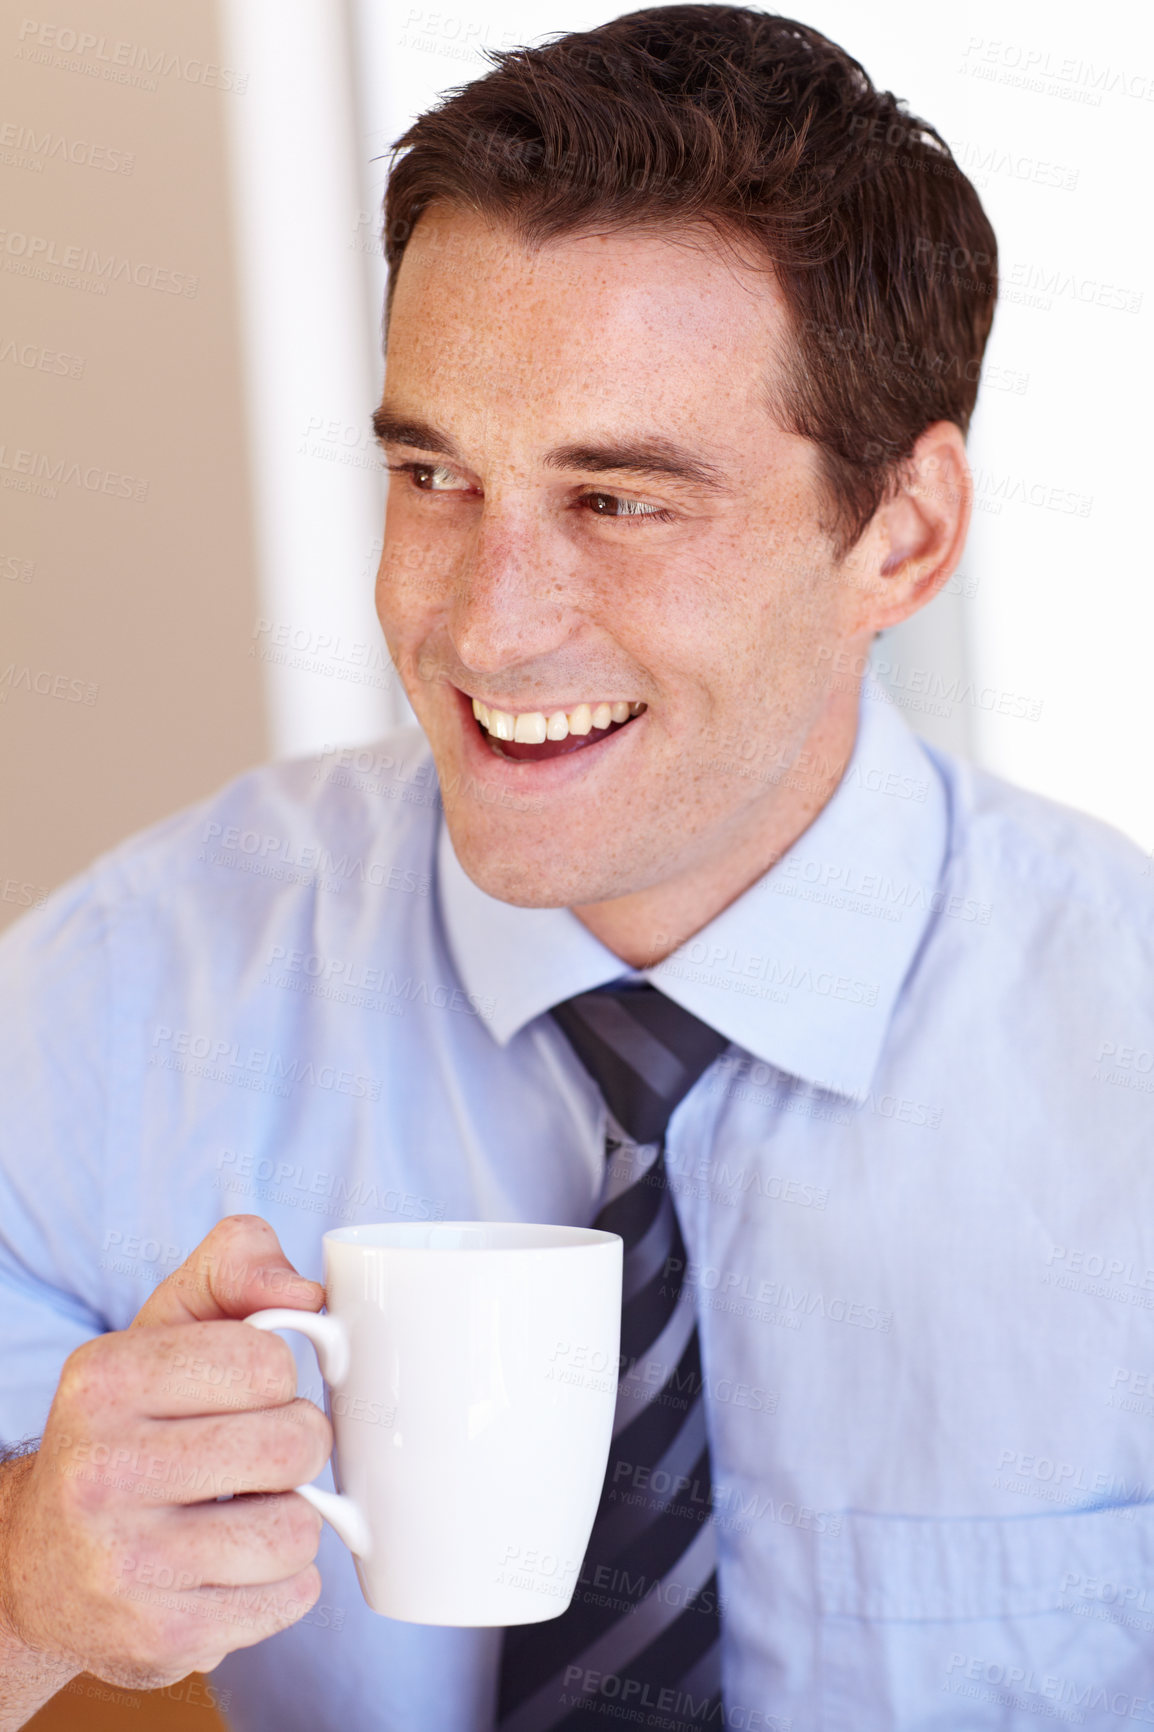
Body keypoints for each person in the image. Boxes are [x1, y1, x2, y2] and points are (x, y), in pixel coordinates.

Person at [1, 5, 1152, 1729]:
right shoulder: (121, 991)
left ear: (900, 536)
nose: (484, 622)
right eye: (432, 474)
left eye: (618, 501)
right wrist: (23, 1585)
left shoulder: (1119, 1049)